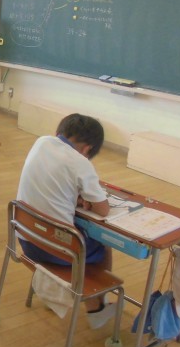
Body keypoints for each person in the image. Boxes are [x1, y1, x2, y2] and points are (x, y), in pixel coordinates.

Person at [16, 113, 116, 329]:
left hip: (26, 237)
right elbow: (103, 210)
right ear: (87, 149)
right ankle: (97, 304)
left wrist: (75, 197)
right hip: (58, 250)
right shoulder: (80, 162)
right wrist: (88, 201)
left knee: (75, 233)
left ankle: (65, 295)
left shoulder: (41, 142)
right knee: (103, 243)